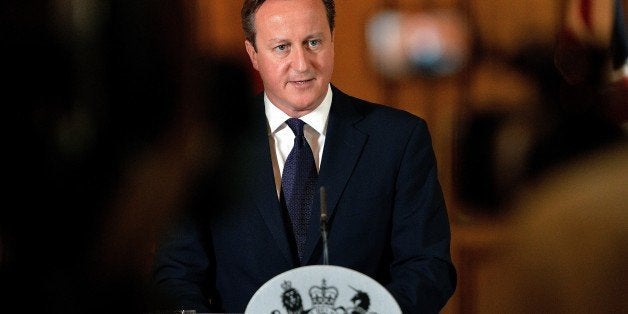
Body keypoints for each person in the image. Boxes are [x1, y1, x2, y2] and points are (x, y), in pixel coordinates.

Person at [151, 0, 456, 313]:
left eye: (313, 42)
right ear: (253, 54)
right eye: (282, 47)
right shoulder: (209, 141)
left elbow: (427, 267)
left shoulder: (399, 138)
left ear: (332, 40)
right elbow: (178, 272)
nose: (301, 64)